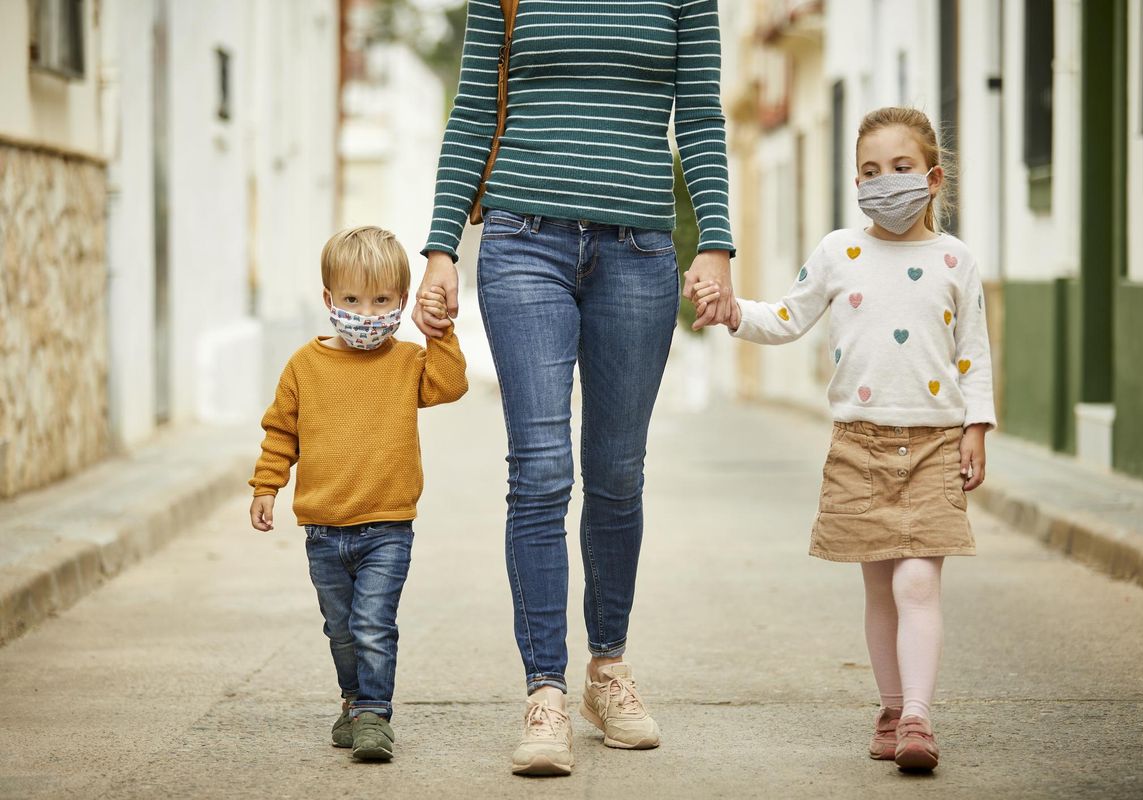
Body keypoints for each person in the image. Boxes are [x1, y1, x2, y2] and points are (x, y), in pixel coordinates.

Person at [413, 0, 736, 777]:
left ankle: (608, 671)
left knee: (618, 472)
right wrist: (441, 245)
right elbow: (471, 108)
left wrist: (717, 240)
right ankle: (545, 691)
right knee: (540, 469)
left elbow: (698, 114)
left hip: (639, 249)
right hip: (523, 241)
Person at [693, 106, 995, 772]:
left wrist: (977, 426)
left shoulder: (955, 259)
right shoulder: (839, 252)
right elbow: (787, 317)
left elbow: (972, 351)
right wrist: (733, 310)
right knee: (880, 589)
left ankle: (917, 718)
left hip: (935, 445)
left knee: (918, 584)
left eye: (900, 168)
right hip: (858, 446)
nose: (884, 182)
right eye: (869, 171)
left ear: (933, 177)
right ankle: (890, 706)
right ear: (854, 183)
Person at [248, 226, 468, 761]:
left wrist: (439, 330)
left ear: (399, 301)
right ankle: (352, 700)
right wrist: (266, 485)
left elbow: (451, 384)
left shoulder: (406, 362)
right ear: (329, 300)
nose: (366, 313)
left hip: (387, 527)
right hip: (323, 529)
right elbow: (282, 431)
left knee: (372, 623)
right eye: (351, 299)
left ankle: (374, 714)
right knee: (341, 629)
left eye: (381, 300)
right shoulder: (305, 365)